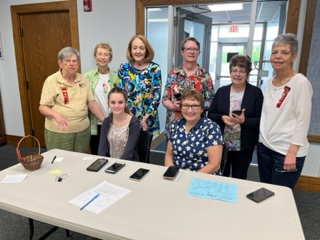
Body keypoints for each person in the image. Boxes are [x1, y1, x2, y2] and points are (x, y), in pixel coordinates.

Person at [257, 33, 313, 189]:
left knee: (280, 195)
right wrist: (261, 141)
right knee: (266, 190)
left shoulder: (300, 83)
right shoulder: (269, 83)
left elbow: (303, 120)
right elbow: (268, 115)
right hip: (266, 147)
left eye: (284, 52)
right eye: (275, 52)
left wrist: (292, 152)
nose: (278, 56)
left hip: (285, 151)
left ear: (293, 56)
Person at [39, 47, 105, 153]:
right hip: (60, 131)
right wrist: (56, 115)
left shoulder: (83, 79)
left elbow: (91, 103)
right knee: (61, 162)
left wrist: (105, 121)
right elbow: (43, 107)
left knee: (80, 160)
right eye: (67, 61)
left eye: (74, 61)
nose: (72, 64)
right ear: (60, 63)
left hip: (82, 130)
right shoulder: (51, 80)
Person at [208, 55, 263, 179]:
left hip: (244, 144)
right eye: (234, 70)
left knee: (240, 176)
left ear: (247, 73)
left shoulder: (256, 93)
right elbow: (210, 114)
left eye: (242, 71)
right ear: (230, 72)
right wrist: (222, 117)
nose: (237, 74)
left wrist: (244, 121)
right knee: (221, 175)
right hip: (222, 143)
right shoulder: (221, 92)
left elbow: (260, 120)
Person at [117, 34, 162, 162]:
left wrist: (144, 119)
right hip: (126, 117)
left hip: (147, 120)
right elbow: (120, 94)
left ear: (146, 50)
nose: (138, 51)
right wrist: (132, 117)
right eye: (134, 48)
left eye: (141, 48)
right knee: (127, 152)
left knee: (143, 154)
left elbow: (156, 96)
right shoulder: (123, 68)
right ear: (130, 50)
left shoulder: (155, 68)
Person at [162, 37, 214, 138]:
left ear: (199, 52)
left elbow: (211, 101)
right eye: (188, 49)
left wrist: (193, 107)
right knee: (171, 153)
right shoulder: (173, 74)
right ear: (182, 52)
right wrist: (172, 106)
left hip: (197, 126)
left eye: (195, 49)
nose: (191, 52)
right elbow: (165, 98)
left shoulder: (205, 75)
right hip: (174, 125)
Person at [164, 90, 223, 173]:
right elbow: (169, 155)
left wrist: (189, 179)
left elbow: (214, 165)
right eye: (185, 106)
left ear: (202, 109)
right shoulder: (175, 125)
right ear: (180, 108)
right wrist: (171, 173)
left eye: (195, 106)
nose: (190, 110)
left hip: (202, 176)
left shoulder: (211, 128)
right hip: (177, 175)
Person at [84, 42, 117, 155]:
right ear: (95, 56)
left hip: (114, 123)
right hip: (96, 124)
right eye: (100, 54)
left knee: (113, 153)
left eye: (106, 55)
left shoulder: (116, 77)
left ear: (110, 58)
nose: (103, 57)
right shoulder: (87, 77)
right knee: (97, 154)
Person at [98, 87, 140, 160]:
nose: (116, 106)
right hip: (111, 163)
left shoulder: (134, 124)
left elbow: (128, 153)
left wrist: (115, 167)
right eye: (113, 102)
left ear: (126, 103)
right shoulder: (106, 122)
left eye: (120, 102)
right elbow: (102, 148)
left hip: (129, 164)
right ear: (108, 104)